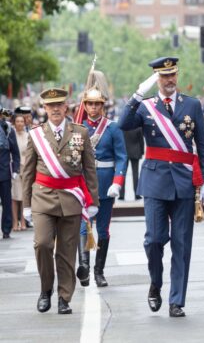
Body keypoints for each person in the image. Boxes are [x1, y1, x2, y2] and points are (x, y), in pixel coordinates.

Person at [118, 56, 204, 318]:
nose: (169, 80)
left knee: (182, 244)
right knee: (154, 241)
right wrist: (138, 94)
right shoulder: (146, 107)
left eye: (173, 75)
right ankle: (155, 283)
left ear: (177, 76)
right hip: (155, 181)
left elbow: (203, 144)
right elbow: (122, 124)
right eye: (164, 76)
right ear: (156, 79)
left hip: (183, 182)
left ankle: (177, 301)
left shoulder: (192, 105)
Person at [22, 88, 99, 314]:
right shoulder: (36, 135)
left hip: (71, 199)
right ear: (44, 109)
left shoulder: (80, 133)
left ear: (66, 107)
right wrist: (26, 204)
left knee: (66, 252)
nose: (55, 109)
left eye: (59, 105)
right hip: (43, 198)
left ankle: (64, 297)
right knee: (43, 244)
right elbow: (28, 172)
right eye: (50, 105)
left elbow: (89, 169)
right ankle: (46, 289)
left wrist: (93, 200)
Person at [76, 88, 128, 288]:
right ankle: (84, 269)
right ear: (85, 105)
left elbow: (121, 157)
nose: (94, 107)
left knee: (103, 230)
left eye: (97, 104)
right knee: (82, 227)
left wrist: (118, 181)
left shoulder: (112, 128)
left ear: (102, 106)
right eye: (90, 103)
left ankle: (99, 271)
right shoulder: (78, 128)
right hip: (83, 185)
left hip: (106, 184)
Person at [0, 110, 20, 238]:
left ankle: (6, 229)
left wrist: (16, 169)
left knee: (7, 202)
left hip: (4, 171)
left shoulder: (7, 129)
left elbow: (15, 152)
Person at [11, 113, 29, 231]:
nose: (20, 123)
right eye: (17, 121)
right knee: (14, 196)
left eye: (22, 121)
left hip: (26, 167)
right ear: (14, 123)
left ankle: (23, 221)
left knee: (24, 196)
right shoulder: (11, 134)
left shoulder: (28, 135)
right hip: (14, 167)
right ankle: (14, 223)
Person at [119, 127, 144, 200]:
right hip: (136, 152)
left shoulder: (122, 128)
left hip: (124, 152)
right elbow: (141, 141)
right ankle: (137, 194)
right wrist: (142, 152)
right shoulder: (138, 128)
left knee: (122, 174)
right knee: (135, 174)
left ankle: (121, 195)